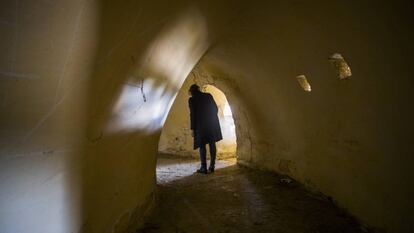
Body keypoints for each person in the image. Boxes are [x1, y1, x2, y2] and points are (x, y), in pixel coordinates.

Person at [188, 84, 223, 174]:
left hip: (200, 126)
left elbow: (193, 115)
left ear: (191, 92)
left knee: (202, 145)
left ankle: (203, 168)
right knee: (212, 144)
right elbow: (215, 108)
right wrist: (211, 118)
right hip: (211, 123)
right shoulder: (208, 96)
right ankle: (212, 166)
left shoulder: (192, 100)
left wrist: (192, 128)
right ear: (199, 89)